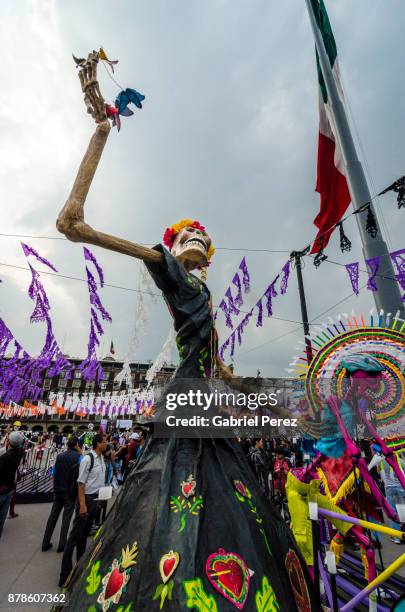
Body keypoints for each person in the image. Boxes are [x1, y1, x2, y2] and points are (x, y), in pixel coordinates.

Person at [55, 51, 318, 611]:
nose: (197, 235)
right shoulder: (170, 270)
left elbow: (212, 353)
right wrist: (101, 135)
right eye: (187, 233)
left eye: (202, 234)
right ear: (176, 248)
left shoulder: (201, 290)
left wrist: (237, 386)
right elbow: (73, 225)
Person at [59, 433, 107, 586]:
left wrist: (100, 500)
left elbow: (97, 482)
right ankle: (64, 574)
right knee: (74, 537)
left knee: (84, 536)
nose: (106, 444)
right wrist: (83, 505)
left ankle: (79, 568)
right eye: (104, 441)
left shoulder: (101, 459)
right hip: (85, 500)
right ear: (98, 444)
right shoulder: (88, 459)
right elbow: (81, 483)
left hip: (94, 500)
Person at [42, 436, 82, 553]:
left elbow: (53, 472)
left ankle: (45, 543)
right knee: (66, 519)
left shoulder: (59, 456)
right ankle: (62, 545)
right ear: (76, 445)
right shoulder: (79, 457)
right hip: (69, 493)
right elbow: (83, 470)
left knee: (52, 517)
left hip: (58, 491)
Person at [0, 431, 24, 539]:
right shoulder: (20, 452)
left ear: (9, 442)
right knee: (2, 516)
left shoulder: (4, 456)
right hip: (9, 487)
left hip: (2, 488)